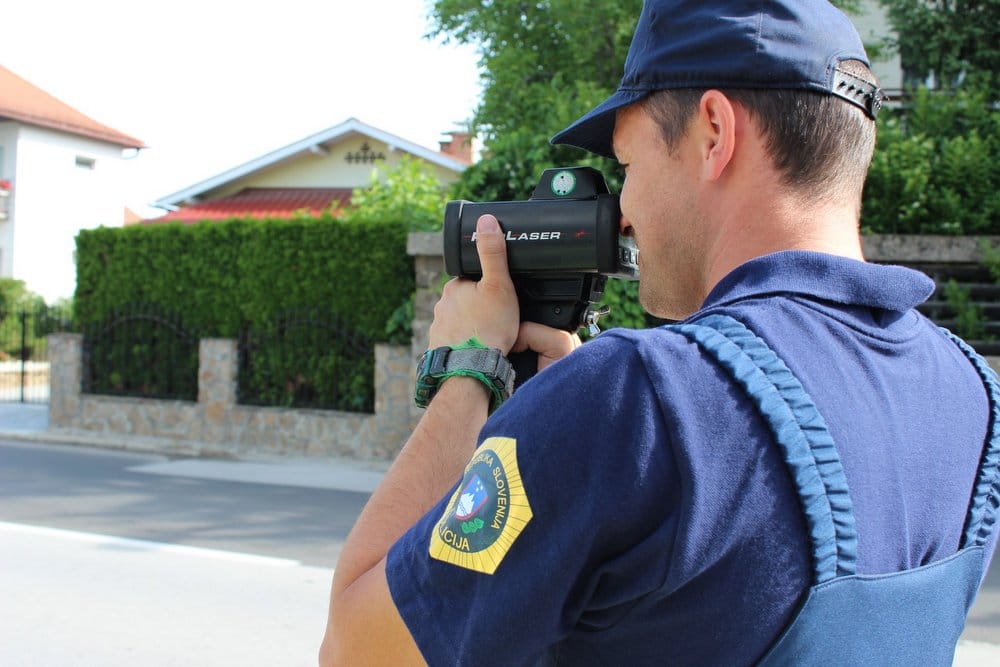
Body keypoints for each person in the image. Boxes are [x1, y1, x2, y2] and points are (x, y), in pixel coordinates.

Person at [320, 1, 1000, 664]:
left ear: (713, 133)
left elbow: (356, 648)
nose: (621, 213)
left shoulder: (632, 401)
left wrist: (468, 367)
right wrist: (566, 432)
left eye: (627, 167)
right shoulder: (973, 396)